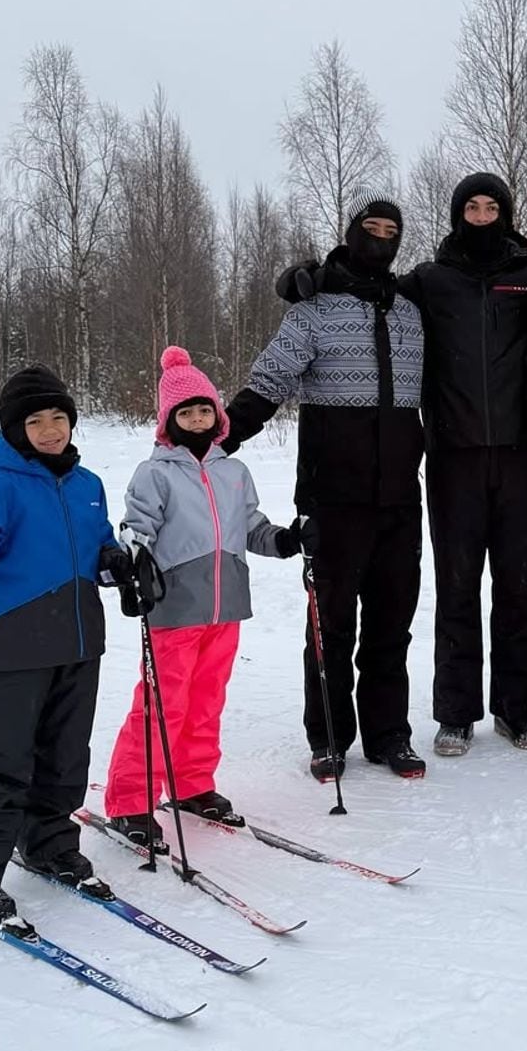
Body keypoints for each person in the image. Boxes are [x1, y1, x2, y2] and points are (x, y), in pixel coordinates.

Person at [279, 172, 527, 758]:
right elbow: (366, 284)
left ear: (505, 212)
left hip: (519, 456)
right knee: (456, 587)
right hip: (452, 458)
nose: (481, 214)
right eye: (471, 206)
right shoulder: (429, 280)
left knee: (519, 588)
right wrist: (310, 277)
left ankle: (518, 708)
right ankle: (455, 713)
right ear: (457, 215)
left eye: (491, 206)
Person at [223, 189, 427, 781]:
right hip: (333, 498)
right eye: (372, 225)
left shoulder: (412, 312)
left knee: (392, 625)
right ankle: (330, 737)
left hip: (399, 497)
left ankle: (390, 734)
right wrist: (219, 439)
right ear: (352, 229)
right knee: (330, 626)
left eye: (392, 228)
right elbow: (270, 380)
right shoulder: (312, 310)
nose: (381, 236)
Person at [0, 364, 130, 935]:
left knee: (66, 754)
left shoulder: (87, 485)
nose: (49, 430)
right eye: (35, 421)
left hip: (82, 638)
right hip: (19, 639)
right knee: (5, 756)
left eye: (58, 418)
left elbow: (101, 546)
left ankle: (49, 845)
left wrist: (117, 564)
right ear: (14, 429)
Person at [103, 347, 304, 848]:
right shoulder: (156, 473)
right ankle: (130, 800)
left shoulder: (233, 473)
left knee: (206, 701)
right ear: (169, 419)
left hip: (226, 604)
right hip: (174, 607)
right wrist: (131, 558)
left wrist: (284, 540)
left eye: (204, 408)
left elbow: (250, 526)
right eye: (185, 411)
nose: (197, 417)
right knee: (160, 705)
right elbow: (138, 526)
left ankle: (192, 784)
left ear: (218, 414)